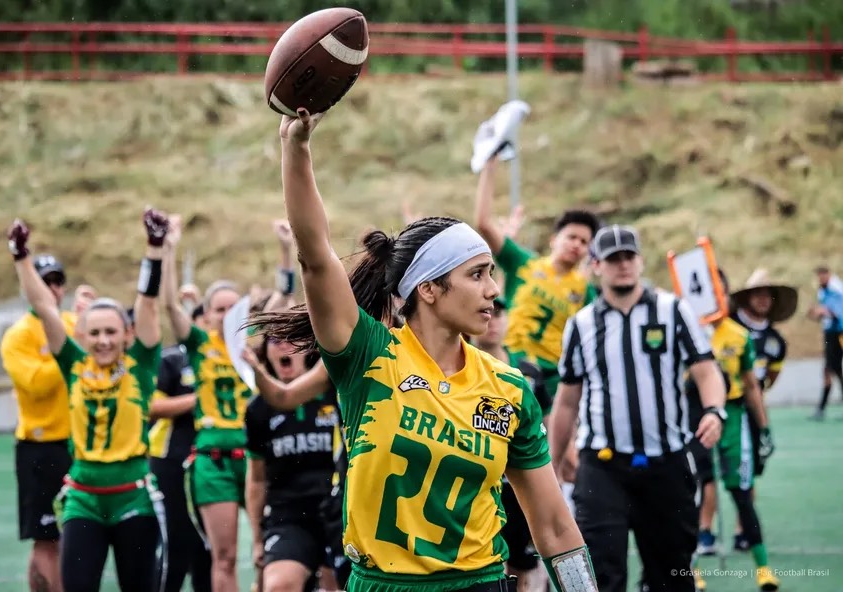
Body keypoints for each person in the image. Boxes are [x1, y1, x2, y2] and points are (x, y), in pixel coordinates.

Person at [249, 109, 596, 592]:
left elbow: (556, 527)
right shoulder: (368, 356)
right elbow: (315, 254)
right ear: (428, 289)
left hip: (480, 583)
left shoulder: (509, 389)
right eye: (476, 274)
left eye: (492, 273)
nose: (494, 289)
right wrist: (297, 149)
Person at [549, 224, 727, 592]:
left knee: (672, 571)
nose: (623, 265)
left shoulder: (673, 311)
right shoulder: (581, 325)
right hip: (602, 465)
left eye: (629, 256)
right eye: (613, 259)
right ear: (596, 265)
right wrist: (551, 464)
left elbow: (707, 372)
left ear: (641, 261)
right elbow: (567, 400)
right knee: (601, 572)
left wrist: (714, 411)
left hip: (666, 462)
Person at [6, 209, 167, 592]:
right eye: (94, 333)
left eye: (111, 332)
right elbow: (45, 307)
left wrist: (155, 249)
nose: (104, 340)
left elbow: (147, 303)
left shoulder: (140, 365)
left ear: (127, 335)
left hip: (133, 499)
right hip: (83, 500)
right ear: (81, 335)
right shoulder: (73, 364)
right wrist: (20, 257)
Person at [162, 214, 252, 592]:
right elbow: (169, 306)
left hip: (255, 457)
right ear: (207, 313)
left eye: (235, 308)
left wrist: (285, 250)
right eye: (220, 308)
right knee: (224, 556)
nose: (227, 315)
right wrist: (167, 248)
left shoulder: (254, 345)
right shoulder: (199, 345)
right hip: (213, 457)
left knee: (267, 550)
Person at [474, 154, 599, 413]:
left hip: (553, 380)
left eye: (585, 242)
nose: (577, 244)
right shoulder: (524, 263)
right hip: (510, 364)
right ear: (554, 239)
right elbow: (484, 224)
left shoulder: (584, 290)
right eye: (572, 237)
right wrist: (490, 167)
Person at [689, 270, 778, 592]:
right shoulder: (686, 333)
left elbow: (752, 385)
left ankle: (763, 568)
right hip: (693, 421)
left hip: (734, 420)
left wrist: (764, 428)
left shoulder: (739, 336)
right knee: (693, 493)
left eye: (719, 292)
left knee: (742, 492)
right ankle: (691, 569)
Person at [244, 335, 347, 592]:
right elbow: (256, 480)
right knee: (278, 585)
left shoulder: (335, 390)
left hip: (339, 510)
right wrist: (258, 541)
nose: (283, 345)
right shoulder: (259, 409)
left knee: (338, 583)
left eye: (291, 338)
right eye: (274, 340)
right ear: (264, 352)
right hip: (290, 516)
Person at [0, 251, 77, 592]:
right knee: (46, 538)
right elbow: (38, 383)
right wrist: (67, 353)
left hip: (76, 445)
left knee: (66, 536)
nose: (52, 289)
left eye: (58, 281)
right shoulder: (18, 336)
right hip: (40, 448)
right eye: (44, 281)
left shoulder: (75, 324)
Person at [469, 296, 550, 592]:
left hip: (520, 485)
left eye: (501, 313)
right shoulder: (458, 369)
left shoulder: (527, 373)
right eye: (491, 312)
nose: (494, 320)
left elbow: (546, 426)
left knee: (522, 562)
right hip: (478, 483)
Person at [727, 269, 796, 553]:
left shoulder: (775, 341)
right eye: (758, 294)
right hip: (723, 409)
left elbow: (770, 378)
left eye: (768, 295)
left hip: (751, 412)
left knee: (750, 470)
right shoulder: (730, 328)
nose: (763, 299)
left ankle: (743, 529)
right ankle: (702, 532)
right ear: (746, 298)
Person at [148, 301, 213, 592]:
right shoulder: (172, 359)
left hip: (211, 463)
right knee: (176, 542)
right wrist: (198, 399)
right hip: (170, 460)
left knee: (208, 547)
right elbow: (151, 406)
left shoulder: (230, 360)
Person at [807, 266, 843, 420]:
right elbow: (825, 315)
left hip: (839, 334)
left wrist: (822, 312)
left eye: (823, 276)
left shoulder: (836, 290)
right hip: (830, 334)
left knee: (833, 369)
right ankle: (821, 408)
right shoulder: (823, 291)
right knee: (830, 370)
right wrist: (816, 314)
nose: (820, 279)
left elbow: (837, 313)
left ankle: (821, 408)